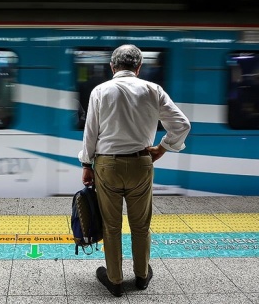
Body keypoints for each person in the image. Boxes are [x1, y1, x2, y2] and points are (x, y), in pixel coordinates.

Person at [78, 44, 191, 297]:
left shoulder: (100, 91)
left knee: (111, 225)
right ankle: (141, 276)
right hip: (142, 162)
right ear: (139, 67)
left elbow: (91, 133)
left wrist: (87, 165)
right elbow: (182, 124)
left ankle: (115, 280)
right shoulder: (153, 90)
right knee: (141, 225)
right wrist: (162, 148)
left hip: (107, 165)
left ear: (112, 66)